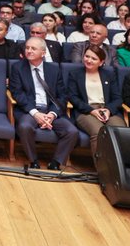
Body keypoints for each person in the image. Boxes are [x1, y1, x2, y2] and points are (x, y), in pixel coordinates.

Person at [9, 37, 80, 169]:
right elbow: (17, 93)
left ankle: (56, 162)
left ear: (43, 52)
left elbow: (62, 95)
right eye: (27, 48)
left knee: (72, 131)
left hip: (50, 110)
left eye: (33, 48)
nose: (29, 51)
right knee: (25, 127)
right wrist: (36, 114)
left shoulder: (54, 70)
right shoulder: (17, 68)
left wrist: (52, 114)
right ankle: (33, 160)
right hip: (29, 110)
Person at [65, 46, 124, 154]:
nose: (89, 60)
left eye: (93, 58)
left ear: (101, 62)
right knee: (98, 132)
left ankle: (117, 167)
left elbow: (117, 98)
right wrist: (91, 111)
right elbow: (73, 97)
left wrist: (108, 110)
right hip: (85, 111)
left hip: (106, 109)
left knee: (120, 131)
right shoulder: (75, 74)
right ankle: (101, 168)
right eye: (87, 56)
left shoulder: (109, 75)